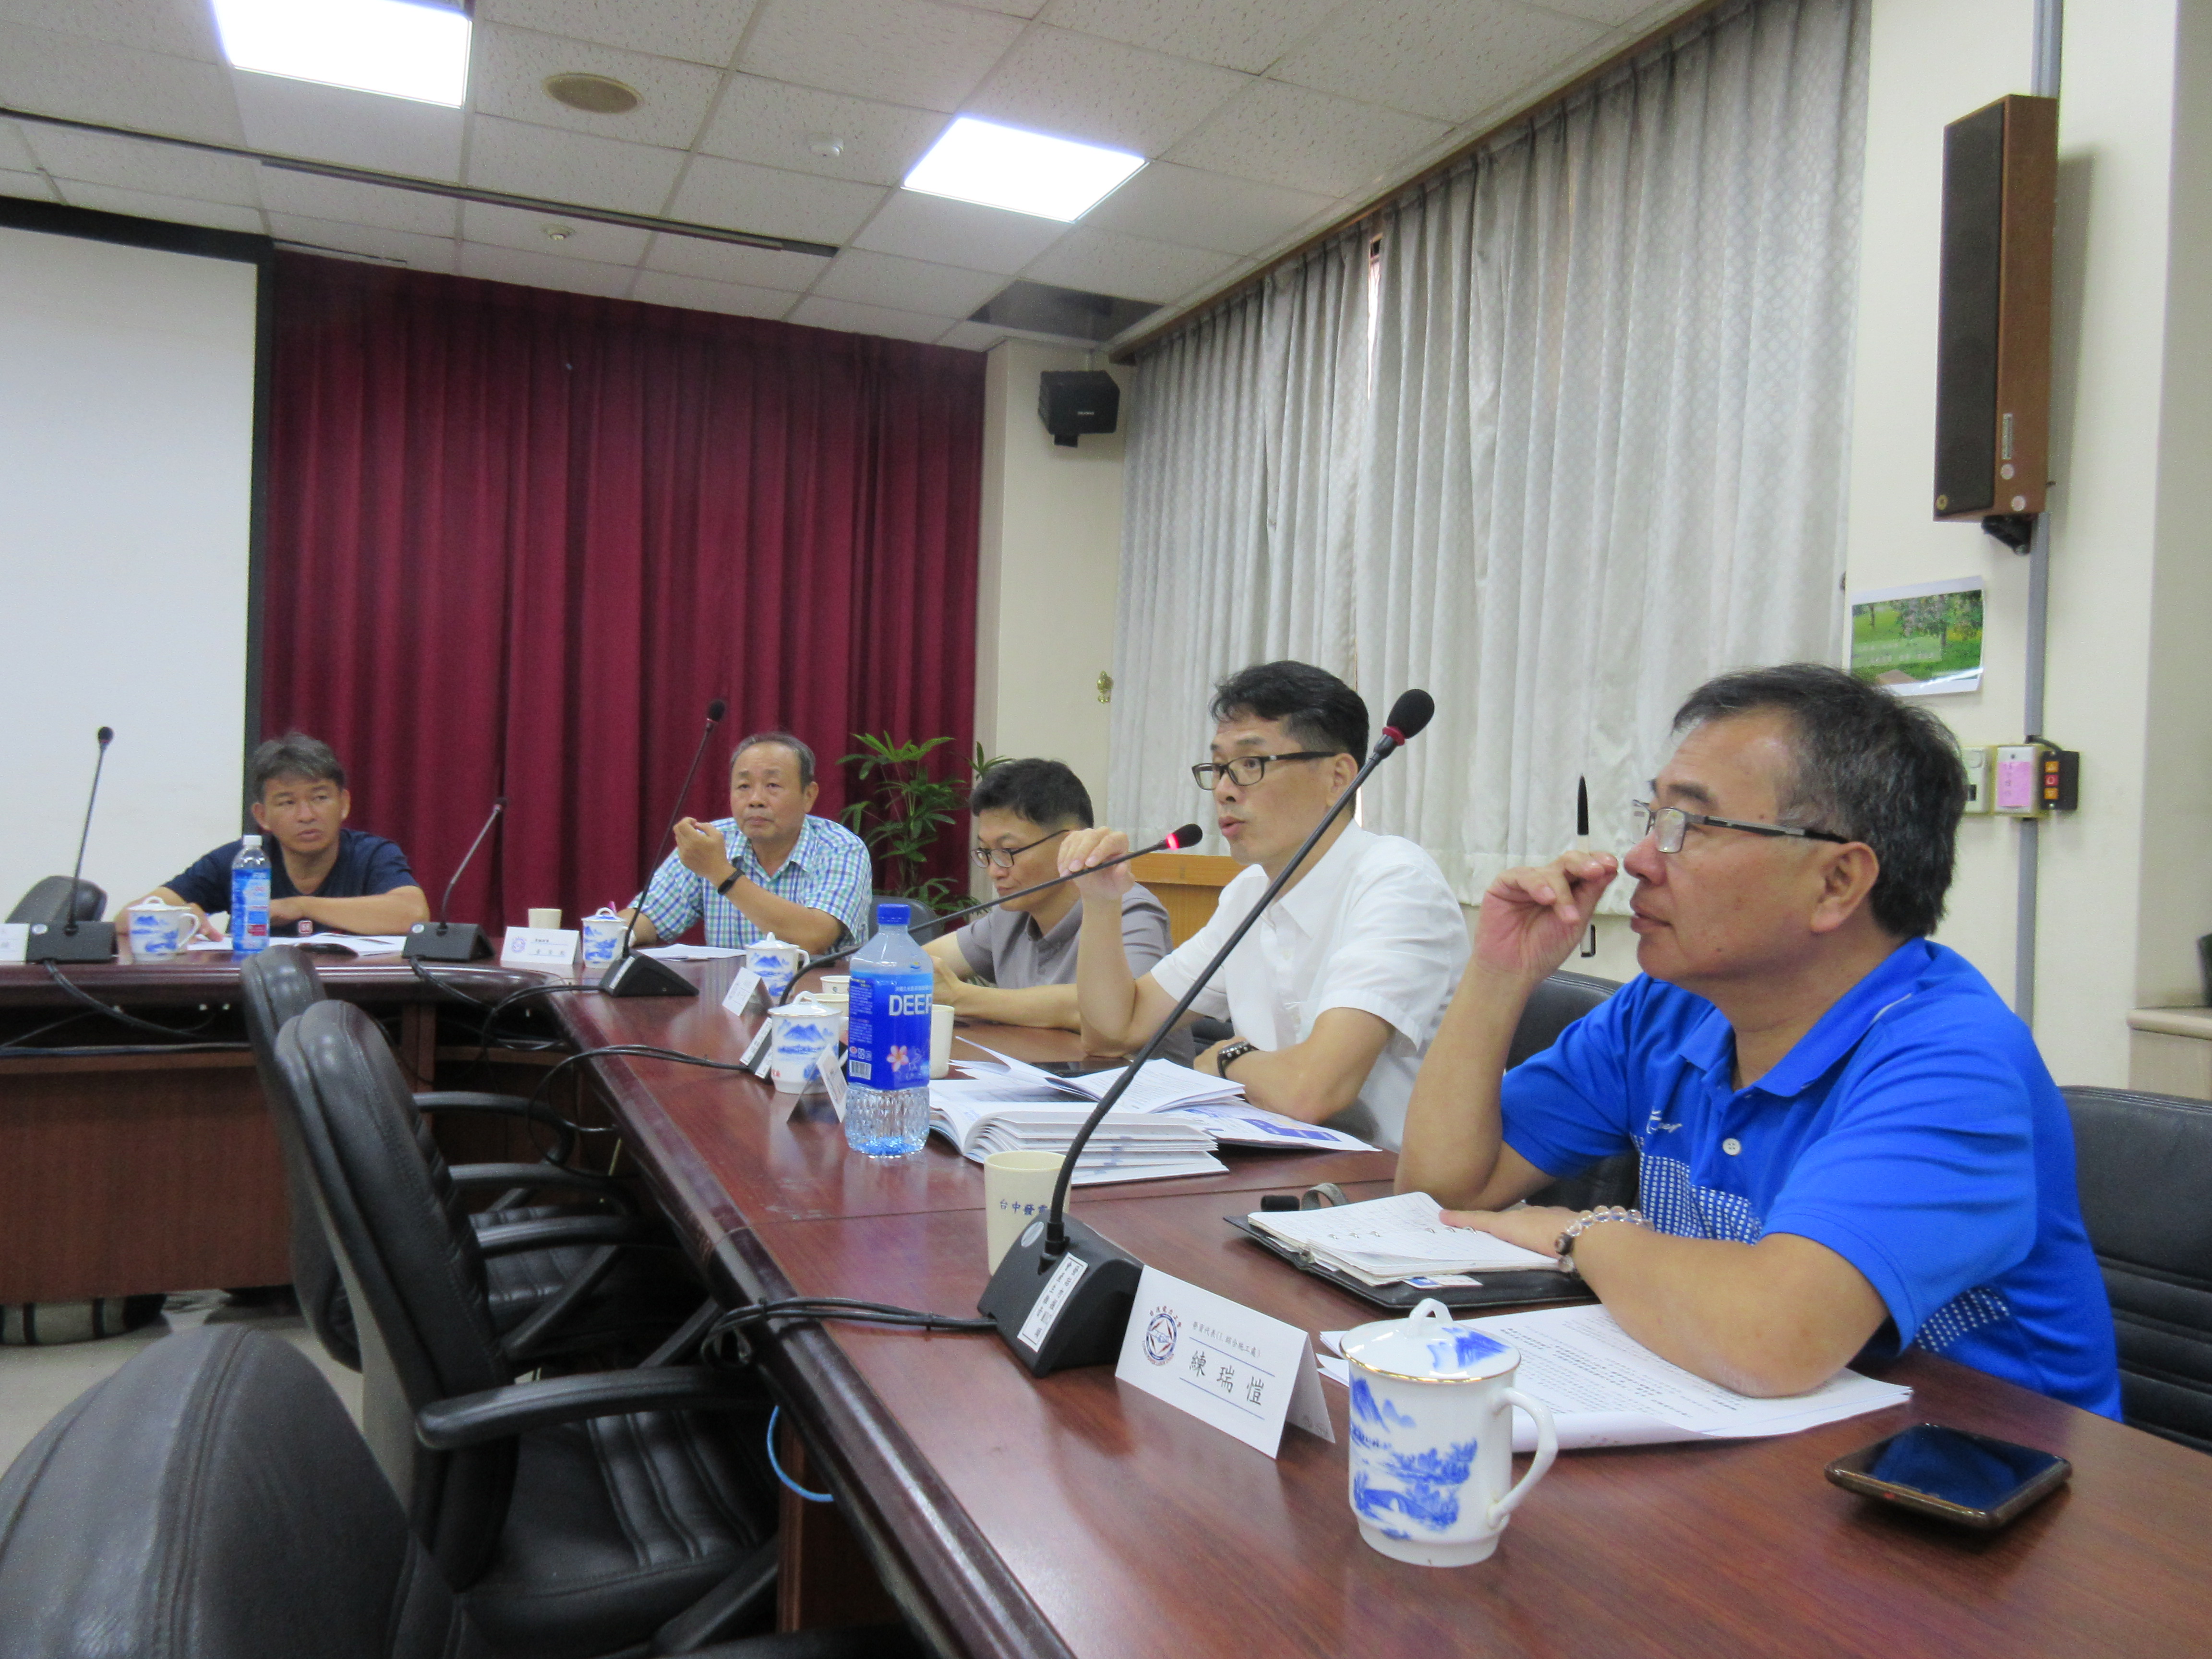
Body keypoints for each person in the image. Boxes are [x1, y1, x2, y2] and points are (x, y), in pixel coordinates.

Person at [1395, 663, 2121, 1413]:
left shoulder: (1953, 1061)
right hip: (1757, 1429)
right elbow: (1442, 1194)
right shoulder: (1669, 1010)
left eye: (1691, 826)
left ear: (1837, 883)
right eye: (1652, 817)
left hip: (1975, 1462)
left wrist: (1584, 1234)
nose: (1640, 859)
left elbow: (1772, 1338)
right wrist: (1500, 971)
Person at [1060, 661, 1469, 1148]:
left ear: (1338, 778)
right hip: (1289, 1167)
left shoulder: (1397, 883)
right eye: (1219, 768)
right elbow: (1113, 1030)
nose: (1224, 790)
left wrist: (1228, 1060)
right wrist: (1101, 901)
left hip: (1394, 1181)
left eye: (1251, 764)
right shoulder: (1250, 891)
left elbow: (1313, 1091)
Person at [927, 758, 1179, 1042]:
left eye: (1008, 851)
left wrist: (960, 997)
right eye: (986, 852)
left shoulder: (1128, 908)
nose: (994, 871)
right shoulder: (1012, 914)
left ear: (1071, 844)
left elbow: (1112, 1011)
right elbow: (919, 963)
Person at [133, 733, 429, 939]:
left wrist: (299, 906)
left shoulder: (372, 855)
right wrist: (179, 916)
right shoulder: (241, 860)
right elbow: (130, 917)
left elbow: (414, 915)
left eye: (320, 798)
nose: (306, 815)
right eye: (287, 803)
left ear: (344, 804)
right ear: (262, 816)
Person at [622, 730, 872, 957]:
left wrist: (720, 873)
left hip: (814, 992)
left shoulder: (840, 848)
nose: (755, 800)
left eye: (772, 785)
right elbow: (649, 917)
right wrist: (616, 933)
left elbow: (814, 937)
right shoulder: (712, 842)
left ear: (808, 795)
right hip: (725, 992)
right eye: (743, 786)